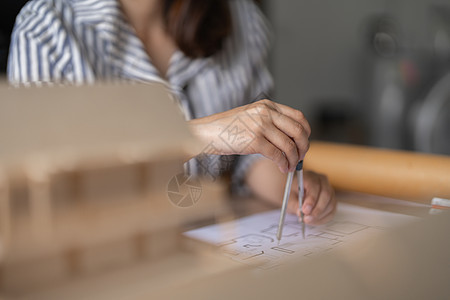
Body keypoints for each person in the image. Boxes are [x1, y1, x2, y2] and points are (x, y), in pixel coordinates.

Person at [8, 0, 336, 225]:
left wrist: (285, 185)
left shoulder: (240, 17)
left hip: (216, 254)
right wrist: (198, 134)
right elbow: (41, 179)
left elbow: (245, 155)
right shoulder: (45, 27)